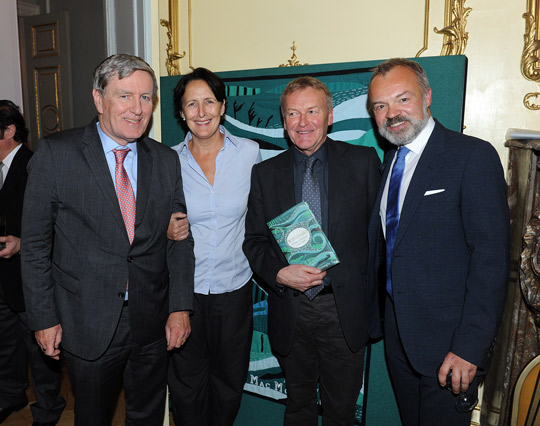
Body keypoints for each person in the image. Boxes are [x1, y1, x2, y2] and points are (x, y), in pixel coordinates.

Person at [20, 54, 195, 426]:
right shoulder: (56, 155)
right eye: (125, 96)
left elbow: (179, 240)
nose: (137, 109)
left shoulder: (165, 160)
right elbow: (34, 247)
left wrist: (180, 307)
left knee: (147, 417)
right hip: (86, 321)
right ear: (99, 100)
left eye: (146, 97)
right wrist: (43, 318)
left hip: (152, 321)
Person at [366, 58, 509, 426]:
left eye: (402, 99)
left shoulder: (471, 157)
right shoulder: (391, 161)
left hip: (452, 350)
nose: (391, 114)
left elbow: (490, 261)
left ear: (427, 97)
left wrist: (468, 348)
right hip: (400, 341)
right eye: (380, 106)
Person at [243, 76, 381, 425]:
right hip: (292, 312)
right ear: (284, 121)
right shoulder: (264, 173)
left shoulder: (364, 163)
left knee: (341, 413)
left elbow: (381, 239)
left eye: (311, 111)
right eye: (292, 113)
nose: (302, 122)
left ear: (330, 116)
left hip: (343, 311)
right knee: (298, 408)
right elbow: (254, 241)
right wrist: (278, 273)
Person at [166, 67, 261, 426]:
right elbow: (143, 222)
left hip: (233, 290)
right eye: (192, 104)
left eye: (209, 102)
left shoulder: (249, 153)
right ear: (181, 112)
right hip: (183, 294)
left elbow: (270, 208)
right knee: (186, 386)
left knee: (228, 383)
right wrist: (163, 230)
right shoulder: (168, 161)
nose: (201, 111)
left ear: (223, 106)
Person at [0, 100, 65, 425]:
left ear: (9, 131)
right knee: (6, 345)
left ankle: (49, 407)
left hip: (30, 278)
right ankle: (10, 395)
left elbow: (57, 226)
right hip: (2, 279)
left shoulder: (36, 164)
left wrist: (22, 244)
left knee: (41, 349)